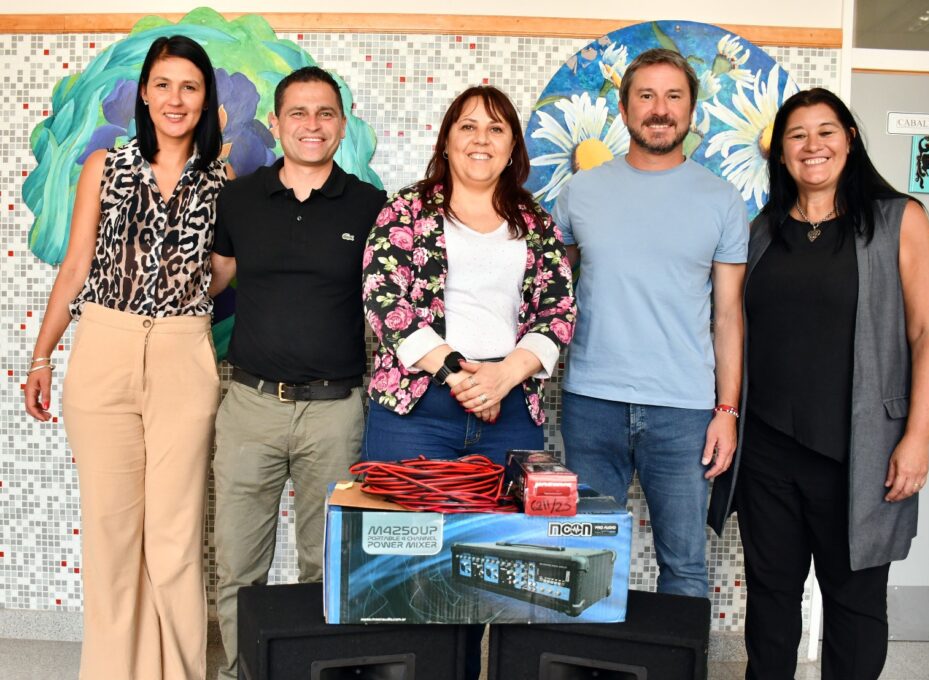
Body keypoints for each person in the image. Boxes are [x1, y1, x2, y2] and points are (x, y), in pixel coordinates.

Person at [708, 88, 929, 680]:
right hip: (768, 452)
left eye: (826, 131)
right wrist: (728, 413)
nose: (812, 145)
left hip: (860, 453)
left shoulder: (898, 220)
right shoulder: (760, 232)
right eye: (797, 135)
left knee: (855, 606)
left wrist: (917, 438)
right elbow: (731, 326)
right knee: (770, 601)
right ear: (780, 153)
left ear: (850, 140)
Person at [23, 35, 227, 679]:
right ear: (143, 93)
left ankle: (180, 672)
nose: (175, 98)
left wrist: (186, 292)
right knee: (111, 534)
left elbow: (223, 272)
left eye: (189, 86)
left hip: (182, 354)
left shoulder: (222, 182)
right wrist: (40, 357)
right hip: (104, 349)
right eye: (163, 84)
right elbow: (76, 266)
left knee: (173, 537)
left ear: (206, 99)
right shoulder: (104, 166)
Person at [361, 84, 576, 679]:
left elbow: (559, 310)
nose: (482, 139)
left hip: (507, 413)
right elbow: (383, 298)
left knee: (489, 575)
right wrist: (457, 374)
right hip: (415, 411)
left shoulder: (535, 223)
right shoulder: (406, 210)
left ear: (513, 147)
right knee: (407, 574)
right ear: (447, 140)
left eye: (496, 128)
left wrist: (505, 376)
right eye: (468, 126)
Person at [208, 66, 386, 680]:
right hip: (249, 407)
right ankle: (242, 674)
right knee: (239, 567)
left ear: (342, 124)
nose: (312, 125)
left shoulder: (370, 205)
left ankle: (317, 672)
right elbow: (209, 283)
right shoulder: (238, 199)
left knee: (327, 566)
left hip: (335, 415)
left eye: (325, 113)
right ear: (277, 123)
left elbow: (398, 297)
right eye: (299, 113)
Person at [552, 48, 748, 598]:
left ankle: (674, 653)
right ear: (623, 108)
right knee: (585, 560)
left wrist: (726, 411)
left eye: (673, 96)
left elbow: (728, 316)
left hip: (684, 411)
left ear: (691, 110)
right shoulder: (580, 192)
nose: (660, 109)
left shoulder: (722, 200)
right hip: (592, 404)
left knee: (684, 567)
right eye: (646, 95)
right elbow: (548, 295)